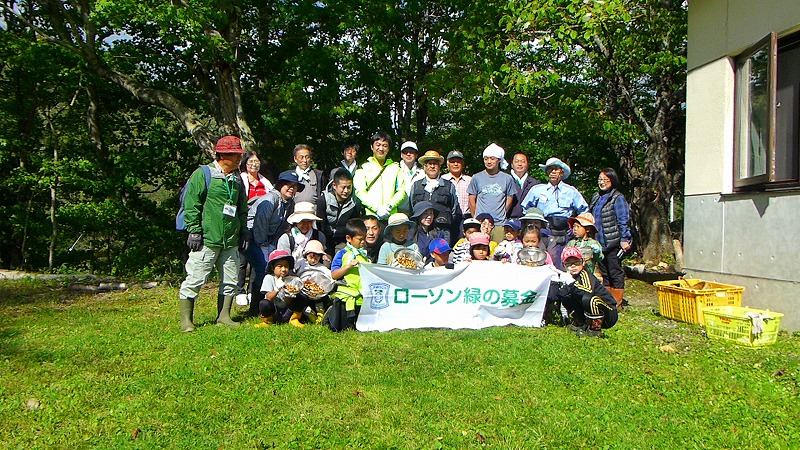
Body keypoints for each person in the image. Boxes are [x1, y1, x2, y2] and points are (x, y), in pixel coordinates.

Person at [178, 135, 248, 332]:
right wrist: (194, 232)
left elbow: (241, 208)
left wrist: (243, 232)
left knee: (231, 280)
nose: (238, 159)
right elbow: (192, 205)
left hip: (230, 239)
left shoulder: (236, 179)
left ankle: (224, 316)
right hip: (207, 239)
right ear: (223, 155)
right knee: (195, 278)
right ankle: (186, 321)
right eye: (235, 155)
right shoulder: (203, 174)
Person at [249, 170, 303, 316]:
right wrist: (264, 245)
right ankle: (257, 308)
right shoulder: (271, 199)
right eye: (288, 185)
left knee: (263, 269)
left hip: (269, 240)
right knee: (263, 269)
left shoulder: (289, 203)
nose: (291, 188)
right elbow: (260, 224)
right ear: (280, 185)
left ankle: (267, 306)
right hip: (253, 238)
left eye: (295, 186)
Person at [522, 157, 588, 269]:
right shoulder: (537, 190)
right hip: (544, 229)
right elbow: (525, 208)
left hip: (564, 230)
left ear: (562, 172)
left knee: (563, 259)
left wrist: (576, 226)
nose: (553, 172)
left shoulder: (571, 191)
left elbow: (584, 210)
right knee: (544, 259)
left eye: (556, 169)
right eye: (550, 169)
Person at [588, 168, 632, 311]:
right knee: (604, 272)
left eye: (606, 180)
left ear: (612, 181)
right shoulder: (596, 196)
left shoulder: (617, 197)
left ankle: (617, 303)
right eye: (600, 179)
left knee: (615, 272)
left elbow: (623, 219)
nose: (602, 182)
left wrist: (624, 238)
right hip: (599, 241)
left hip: (613, 241)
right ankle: (607, 301)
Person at [555, 246, 618, 337]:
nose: (573, 266)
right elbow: (561, 295)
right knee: (567, 298)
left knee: (589, 299)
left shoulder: (585, 274)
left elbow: (588, 292)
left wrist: (572, 283)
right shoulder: (568, 277)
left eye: (576, 262)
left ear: (583, 262)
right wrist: (556, 283)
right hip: (590, 310)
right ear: (564, 265)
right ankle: (582, 325)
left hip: (609, 313)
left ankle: (595, 330)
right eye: (569, 263)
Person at [235, 151, 273, 301]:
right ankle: (239, 291)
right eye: (250, 162)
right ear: (245, 164)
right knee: (242, 258)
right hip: (244, 222)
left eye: (256, 162)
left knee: (257, 259)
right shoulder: (241, 179)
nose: (254, 164)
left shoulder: (266, 182)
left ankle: (252, 290)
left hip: (261, 224)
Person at [408, 150, 462, 245]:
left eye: (435, 164)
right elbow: (412, 206)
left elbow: (454, 209)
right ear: (425, 166)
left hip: (443, 230)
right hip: (421, 231)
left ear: (439, 166)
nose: (432, 166)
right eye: (429, 163)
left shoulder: (449, 186)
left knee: (441, 257)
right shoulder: (416, 185)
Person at [467, 143, 517, 243]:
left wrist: (501, 214)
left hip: (499, 224)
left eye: (492, 158)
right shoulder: (476, 177)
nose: (489, 161)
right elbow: (472, 200)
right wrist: (477, 219)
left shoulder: (507, 178)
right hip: (481, 224)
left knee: (498, 251)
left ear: (498, 160)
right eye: (486, 159)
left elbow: (509, 199)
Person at [353, 132, 406, 220]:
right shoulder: (363, 167)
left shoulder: (396, 168)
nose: (381, 148)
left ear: (388, 148)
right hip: (370, 216)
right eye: (378, 145)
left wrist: (389, 206)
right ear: (372, 147)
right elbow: (360, 191)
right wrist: (376, 208)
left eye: (385, 146)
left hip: (391, 215)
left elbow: (401, 190)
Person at [329, 219, 369, 330]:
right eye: (360, 239)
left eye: (364, 238)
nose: (363, 242)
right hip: (346, 297)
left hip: (361, 297)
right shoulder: (342, 253)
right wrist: (348, 266)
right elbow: (334, 275)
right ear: (348, 238)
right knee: (342, 327)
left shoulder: (364, 254)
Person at [321, 168, 363, 255]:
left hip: (343, 239)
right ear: (334, 185)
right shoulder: (323, 199)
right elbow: (320, 224)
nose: (346, 191)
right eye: (343, 187)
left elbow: (354, 224)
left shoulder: (354, 202)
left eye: (349, 187)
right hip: (325, 239)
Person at [277, 201, 327, 267]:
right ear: (296, 222)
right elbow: (283, 262)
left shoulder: (319, 236)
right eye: (302, 221)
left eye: (309, 221)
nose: (305, 225)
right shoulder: (286, 238)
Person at [294, 239, 334, 323]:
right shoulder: (302, 264)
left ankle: (320, 313)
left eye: (317, 257)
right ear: (306, 255)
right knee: (301, 299)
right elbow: (295, 265)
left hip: (317, 292)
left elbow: (330, 275)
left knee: (322, 299)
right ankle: (308, 312)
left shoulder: (321, 267)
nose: (313, 260)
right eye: (311, 257)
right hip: (303, 289)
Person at [255, 249, 295, 327]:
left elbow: (290, 301)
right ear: (273, 268)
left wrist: (289, 293)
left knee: (301, 297)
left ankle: (294, 318)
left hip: (287, 310)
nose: (283, 269)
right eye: (280, 266)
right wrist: (277, 288)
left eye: (286, 266)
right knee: (264, 303)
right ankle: (268, 321)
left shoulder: (291, 279)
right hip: (274, 310)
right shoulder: (269, 278)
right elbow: (268, 297)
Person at [292, 144, 326, 219]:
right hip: (294, 213)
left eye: (307, 157)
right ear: (295, 159)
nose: (304, 160)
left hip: (313, 213)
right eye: (301, 157)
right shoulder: (290, 176)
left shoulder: (318, 175)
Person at [566, 212, 604, 277]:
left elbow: (600, 258)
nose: (575, 229)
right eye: (574, 226)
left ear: (587, 229)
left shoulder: (593, 243)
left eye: (578, 226)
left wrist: (596, 252)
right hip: (573, 275)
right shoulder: (571, 243)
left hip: (589, 274)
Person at [441, 150, 472, 219]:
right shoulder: (442, 180)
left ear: (462, 164)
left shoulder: (470, 180)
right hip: (448, 218)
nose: (455, 164)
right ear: (448, 164)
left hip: (466, 218)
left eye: (458, 162)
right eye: (452, 162)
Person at [509, 152, 540, 219]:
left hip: (528, 221)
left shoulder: (534, 183)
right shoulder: (506, 180)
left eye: (523, 161)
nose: (520, 164)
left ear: (527, 164)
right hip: (508, 221)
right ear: (512, 164)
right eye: (516, 161)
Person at [397, 141, 425, 213]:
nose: (408, 154)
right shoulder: (395, 170)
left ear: (416, 155)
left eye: (411, 152)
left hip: (417, 212)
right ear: (401, 155)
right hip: (398, 212)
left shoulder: (422, 173)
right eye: (405, 152)